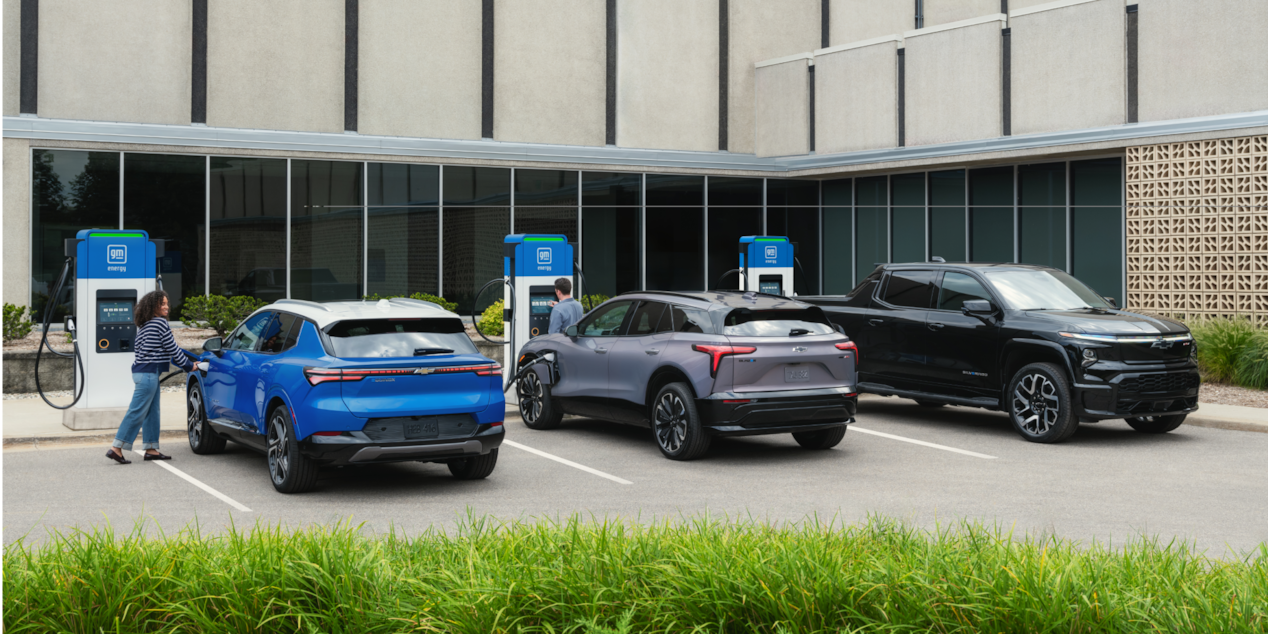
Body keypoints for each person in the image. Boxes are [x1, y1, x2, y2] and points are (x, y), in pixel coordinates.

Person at [105, 290, 206, 464]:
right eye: (162, 304)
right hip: (148, 374)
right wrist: (190, 366)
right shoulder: (160, 323)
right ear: (153, 307)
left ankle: (151, 449)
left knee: (152, 412)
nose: (166, 307)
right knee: (136, 411)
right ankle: (116, 447)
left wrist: (189, 361)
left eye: (167, 303)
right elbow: (173, 349)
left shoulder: (145, 325)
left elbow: (166, 350)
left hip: (143, 373)